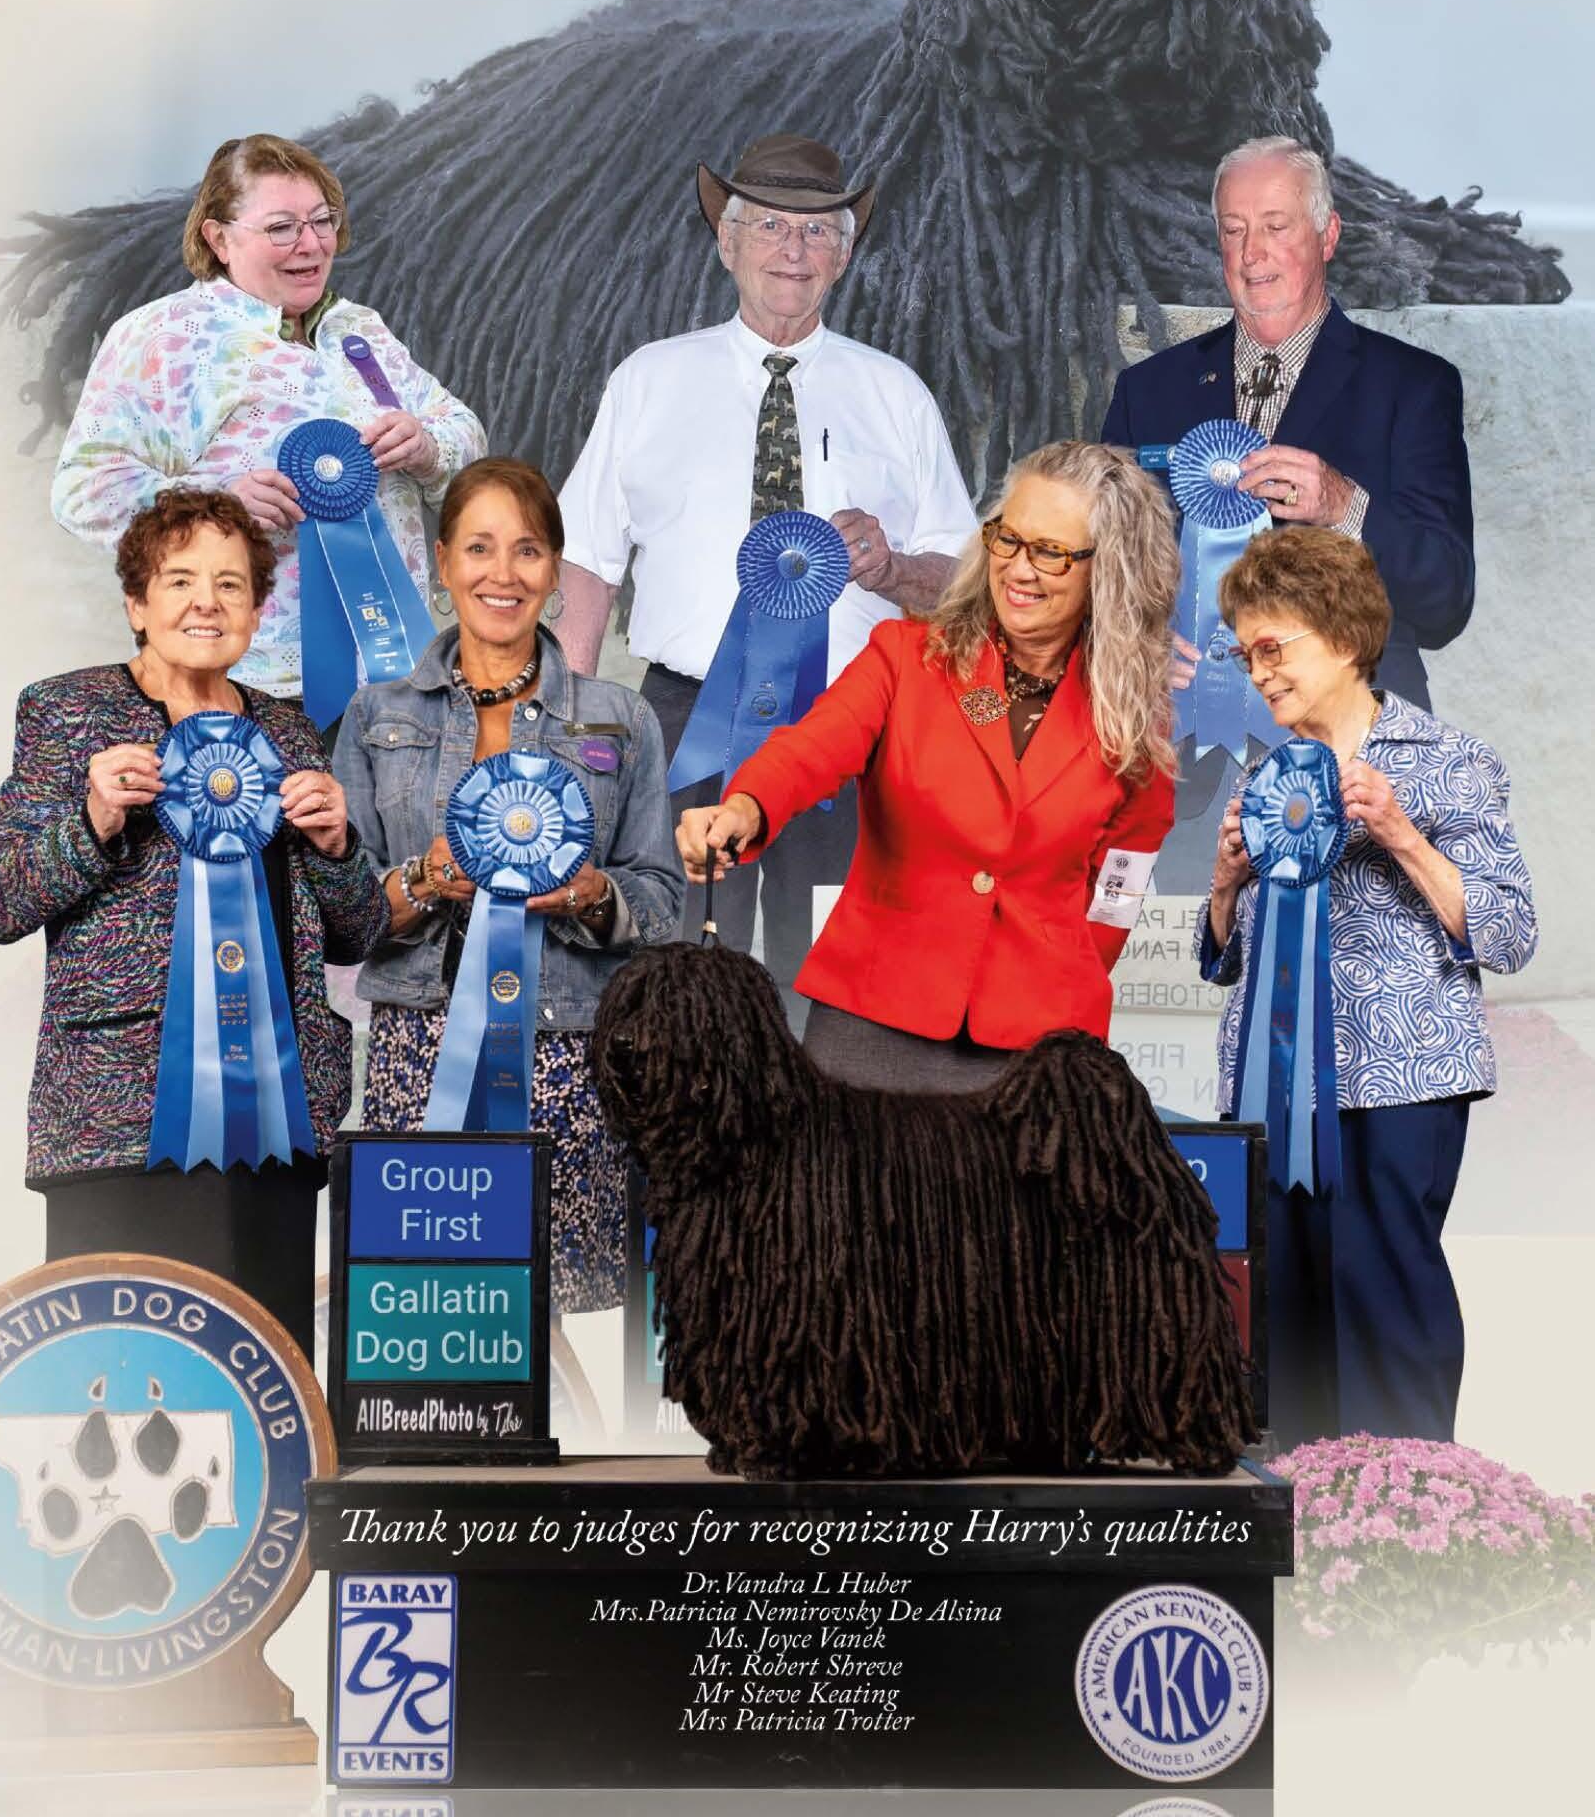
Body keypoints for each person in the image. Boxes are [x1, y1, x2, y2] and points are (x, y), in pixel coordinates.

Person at [556, 134, 975, 1025]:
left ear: (845, 256)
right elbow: (587, 557)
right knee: (677, 982)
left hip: (848, 727)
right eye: (772, 226)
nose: (794, 249)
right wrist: (570, 714)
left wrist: (894, 567)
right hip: (684, 721)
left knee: (824, 984)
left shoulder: (896, 394)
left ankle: (821, 1117)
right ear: (727, 242)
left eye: (818, 231)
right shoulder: (649, 378)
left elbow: (962, 585)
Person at [0, 489, 387, 1358]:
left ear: (257, 611)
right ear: (136, 604)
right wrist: (90, 823)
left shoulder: (290, 730)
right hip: (116, 1124)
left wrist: (339, 847)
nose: (206, 603)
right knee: (114, 1383)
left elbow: (360, 934)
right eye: (180, 579)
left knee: (262, 1386)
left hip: (276, 1129)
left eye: (231, 585)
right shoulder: (68, 712)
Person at [676, 442, 1179, 1091]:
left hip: (1037, 1049)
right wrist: (746, 807)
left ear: (1109, 569)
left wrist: (1061, 982)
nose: (1019, 568)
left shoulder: (1136, 722)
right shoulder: (904, 656)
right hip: (870, 1027)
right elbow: (809, 751)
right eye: (1008, 539)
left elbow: (1117, 893)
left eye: (1051, 551)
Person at [1199, 528, 1536, 1446]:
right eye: (1246, 655)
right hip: (1270, 1092)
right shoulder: (1266, 774)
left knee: (1386, 1313)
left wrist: (1400, 834)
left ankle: (1405, 1507)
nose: (1259, 673)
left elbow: (1510, 932)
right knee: (1279, 1322)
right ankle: (1298, 1503)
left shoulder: (1449, 759)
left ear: (1345, 637)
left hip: (1400, 1082)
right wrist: (1224, 889)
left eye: (1274, 648)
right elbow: (1225, 959)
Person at [334, 458, 685, 1312]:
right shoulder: (376, 715)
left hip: (574, 1057)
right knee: (424, 1313)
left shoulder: (623, 718)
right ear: (443, 562)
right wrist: (426, 879)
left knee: (568, 1319)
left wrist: (593, 896)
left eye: (528, 551)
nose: (504, 573)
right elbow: (340, 915)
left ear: (556, 571)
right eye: (479, 548)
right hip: (418, 1053)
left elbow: (663, 901)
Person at [1102, 135, 1476, 879]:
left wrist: (1347, 506)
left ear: (1327, 235)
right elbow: (1096, 569)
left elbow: (1446, 599)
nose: (1253, 253)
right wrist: (1134, 643)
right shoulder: (1147, 392)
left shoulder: (1414, 387)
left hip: (1357, 774)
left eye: (1276, 226)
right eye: (1234, 229)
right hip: (1175, 770)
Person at [52, 132, 487, 702]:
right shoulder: (161, 337)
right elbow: (83, 489)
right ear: (219, 238)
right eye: (282, 227)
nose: (311, 244)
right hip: (247, 688)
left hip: (395, 675)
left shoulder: (360, 328)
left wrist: (429, 447)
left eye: (323, 221)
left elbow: (464, 432)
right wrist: (216, 505)